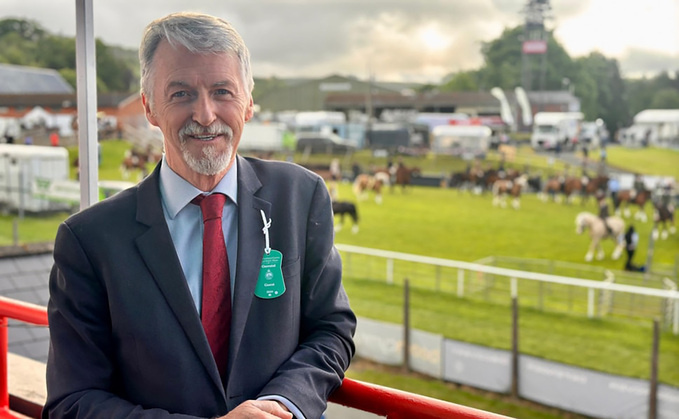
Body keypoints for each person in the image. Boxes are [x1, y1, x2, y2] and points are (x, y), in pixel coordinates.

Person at [44, 12, 356, 419]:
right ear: (149, 107)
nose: (205, 114)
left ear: (247, 103)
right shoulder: (89, 239)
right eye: (180, 94)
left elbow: (331, 329)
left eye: (223, 91)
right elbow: (73, 400)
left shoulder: (301, 196)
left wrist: (283, 404)